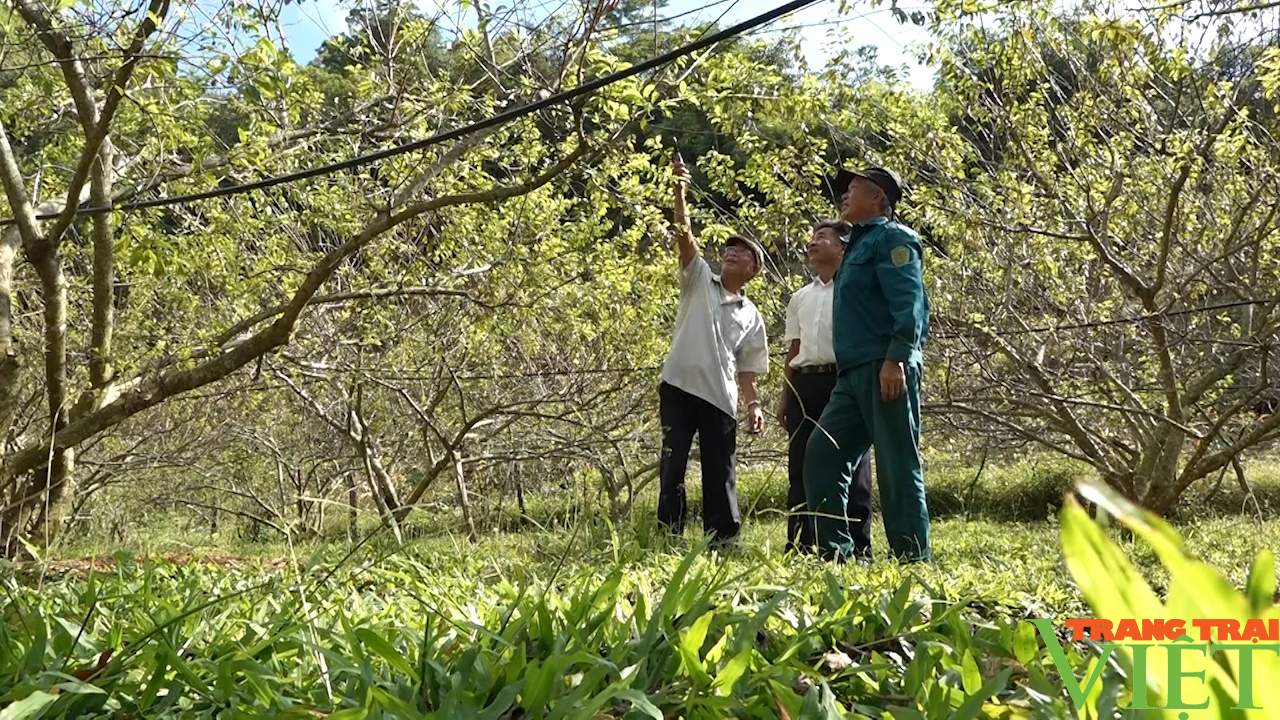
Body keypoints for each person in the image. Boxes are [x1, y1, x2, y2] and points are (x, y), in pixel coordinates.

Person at [804, 165, 932, 563]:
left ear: (877, 196)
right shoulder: (855, 246)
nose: (844, 195)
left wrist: (897, 357)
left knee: (896, 463)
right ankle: (837, 555)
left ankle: (912, 559)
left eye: (853, 188)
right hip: (852, 373)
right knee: (822, 453)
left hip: (885, 366)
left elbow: (910, 304)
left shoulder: (894, 238)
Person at [657, 150, 769, 547]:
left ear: (752, 270)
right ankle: (669, 534)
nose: (731, 253)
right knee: (672, 465)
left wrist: (753, 404)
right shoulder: (699, 279)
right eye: (729, 249)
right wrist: (679, 188)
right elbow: (683, 233)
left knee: (719, 468)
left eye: (741, 253)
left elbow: (748, 367)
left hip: (721, 398)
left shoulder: (751, 313)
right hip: (678, 385)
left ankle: (723, 538)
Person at [778, 219, 873, 558]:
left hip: (843, 379)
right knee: (801, 463)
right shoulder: (800, 297)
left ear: (843, 247)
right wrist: (785, 396)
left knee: (853, 464)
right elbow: (794, 349)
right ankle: (801, 544)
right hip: (805, 384)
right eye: (812, 237)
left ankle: (858, 545)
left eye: (822, 237)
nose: (813, 243)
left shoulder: (855, 290)